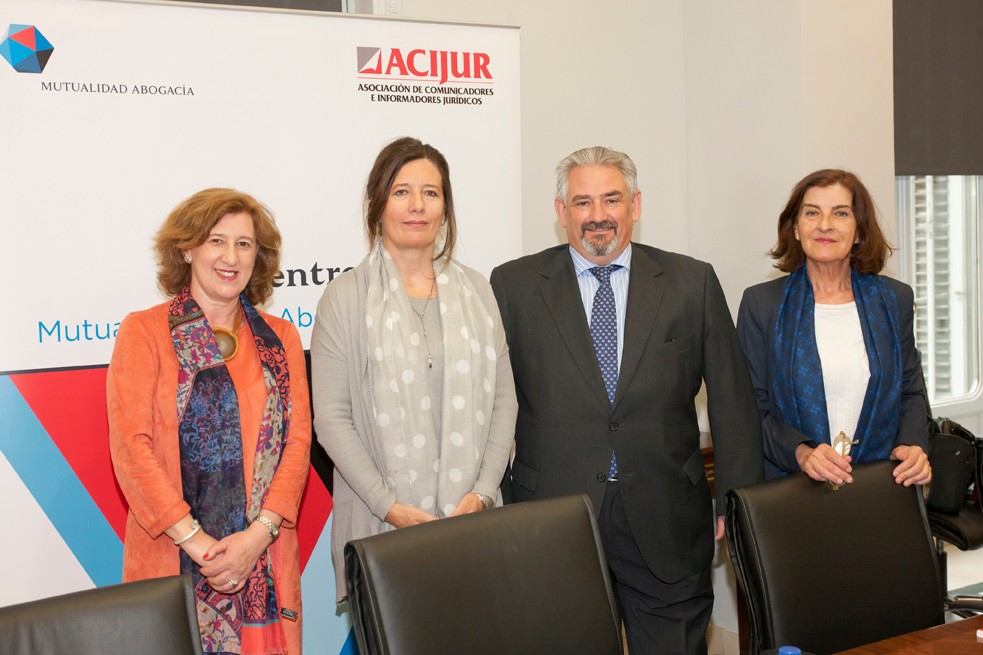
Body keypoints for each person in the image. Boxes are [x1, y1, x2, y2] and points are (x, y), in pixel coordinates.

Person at [489, 146, 762, 655]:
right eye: (583, 202)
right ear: (561, 211)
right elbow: (492, 403)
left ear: (635, 204)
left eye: (611, 199)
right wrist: (496, 499)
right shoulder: (513, 285)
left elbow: (734, 401)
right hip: (554, 519)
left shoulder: (691, 282)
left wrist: (736, 500)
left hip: (667, 518)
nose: (598, 215)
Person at [311, 137, 517, 602]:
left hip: (474, 522)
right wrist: (389, 506)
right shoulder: (345, 298)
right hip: (380, 526)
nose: (417, 205)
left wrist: (484, 492)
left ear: (445, 208)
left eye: (431, 192)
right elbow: (333, 419)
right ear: (378, 203)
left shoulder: (478, 291)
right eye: (401, 191)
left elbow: (504, 401)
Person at [107, 188, 311, 654]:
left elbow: (298, 443)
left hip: (264, 563)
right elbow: (132, 450)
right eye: (216, 240)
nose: (231, 257)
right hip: (171, 560)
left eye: (244, 244)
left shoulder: (280, 339)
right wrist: (200, 545)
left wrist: (255, 539)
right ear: (187, 249)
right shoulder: (144, 331)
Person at [737, 169, 931, 487]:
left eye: (840, 213)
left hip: (881, 486)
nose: (824, 224)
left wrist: (913, 446)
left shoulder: (894, 299)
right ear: (795, 228)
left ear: (859, 231)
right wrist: (801, 453)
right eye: (812, 213)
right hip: (792, 491)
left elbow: (910, 390)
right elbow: (750, 409)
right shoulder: (762, 305)